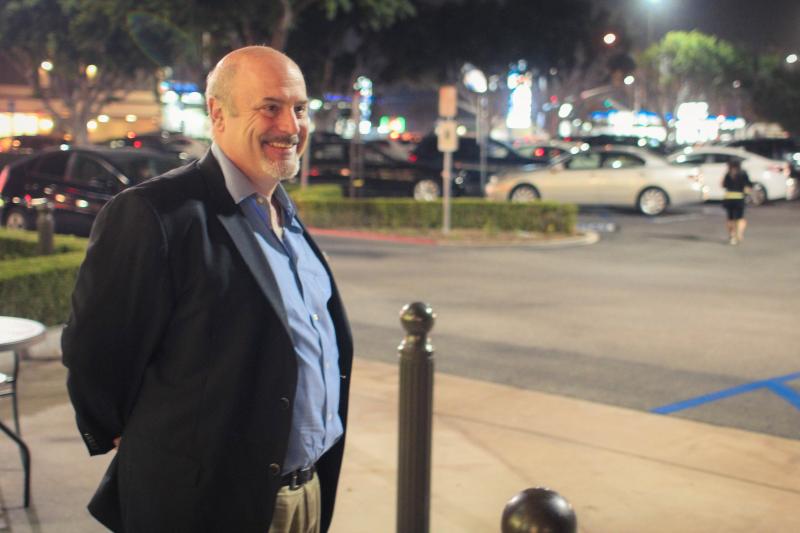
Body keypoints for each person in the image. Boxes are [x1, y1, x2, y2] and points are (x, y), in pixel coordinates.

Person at [62, 46, 353, 533]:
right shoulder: (155, 214)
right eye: (271, 107)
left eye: (300, 109)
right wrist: (144, 445)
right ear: (217, 114)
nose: (291, 125)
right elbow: (95, 352)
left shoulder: (287, 217)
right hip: (204, 505)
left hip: (307, 494)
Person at [721, 159, 753, 245]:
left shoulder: (728, 174)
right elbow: (749, 185)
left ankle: (732, 236)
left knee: (730, 218)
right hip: (739, 198)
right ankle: (739, 234)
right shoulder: (743, 173)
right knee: (740, 218)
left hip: (729, 198)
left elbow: (723, 185)